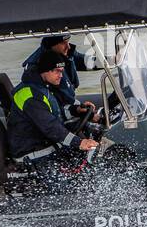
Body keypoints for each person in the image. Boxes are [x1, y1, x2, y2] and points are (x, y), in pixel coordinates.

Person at [7, 52, 100, 186]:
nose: (61, 76)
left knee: (86, 161)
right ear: (45, 71)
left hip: (45, 146)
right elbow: (51, 127)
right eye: (57, 71)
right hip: (34, 155)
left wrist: (76, 110)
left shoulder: (43, 87)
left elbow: (56, 114)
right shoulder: (30, 96)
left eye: (61, 71)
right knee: (71, 186)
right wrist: (79, 142)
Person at [22, 34, 98, 122]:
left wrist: (110, 60)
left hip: (67, 108)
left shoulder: (64, 54)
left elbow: (84, 61)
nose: (68, 47)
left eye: (68, 42)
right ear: (52, 44)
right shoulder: (38, 72)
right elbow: (52, 116)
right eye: (63, 43)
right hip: (55, 113)